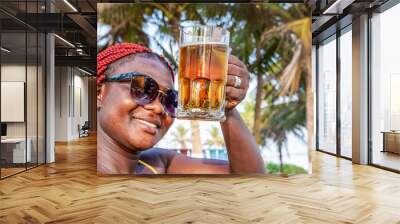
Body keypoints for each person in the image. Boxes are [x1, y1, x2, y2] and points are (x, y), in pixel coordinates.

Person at [97, 43, 265, 174]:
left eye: (171, 100)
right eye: (142, 89)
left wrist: (226, 108)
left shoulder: (159, 164)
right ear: (99, 92)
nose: (158, 108)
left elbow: (250, 179)